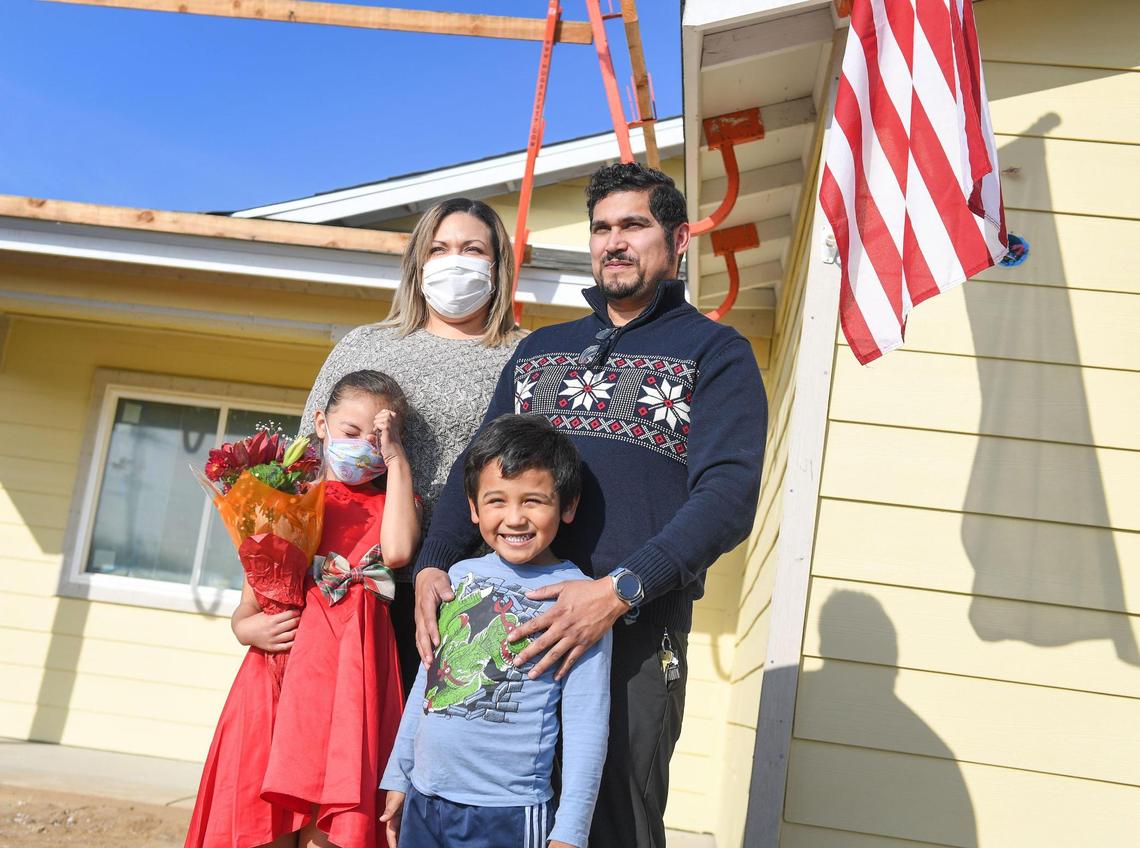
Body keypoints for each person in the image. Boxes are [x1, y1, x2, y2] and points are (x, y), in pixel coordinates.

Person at [413, 163, 767, 847]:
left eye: (634, 225)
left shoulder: (715, 354)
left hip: (631, 631)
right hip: (506, 627)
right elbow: (476, 468)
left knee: (611, 828)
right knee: (499, 820)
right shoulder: (541, 351)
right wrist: (435, 562)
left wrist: (619, 591)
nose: (614, 242)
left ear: (678, 239)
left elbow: (727, 497)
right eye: (602, 228)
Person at [186, 370, 420, 848]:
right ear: (321, 422)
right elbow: (245, 610)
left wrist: (396, 459)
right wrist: (252, 631)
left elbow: (396, 553)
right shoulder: (287, 501)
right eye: (352, 433)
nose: (365, 448)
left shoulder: (397, 501)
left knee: (331, 823)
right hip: (278, 679)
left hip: (350, 685)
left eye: (378, 439)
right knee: (263, 821)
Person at [300, 197, 522, 694]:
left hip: (463, 591)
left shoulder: (522, 355)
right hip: (348, 584)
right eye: (439, 249)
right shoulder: (364, 345)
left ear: (498, 265)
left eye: (472, 249)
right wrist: (262, 593)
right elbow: (303, 466)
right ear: (418, 263)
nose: (455, 260)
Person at [379, 415, 611, 848]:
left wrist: (571, 831)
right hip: (424, 800)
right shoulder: (459, 577)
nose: (515, 518)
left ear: (568, 505)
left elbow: (587, 723)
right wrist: (399, 773)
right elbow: (428, 681)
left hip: (508, 813)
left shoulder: (580, 599)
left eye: (534, 501)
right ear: (473, 507)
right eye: (497, 500)